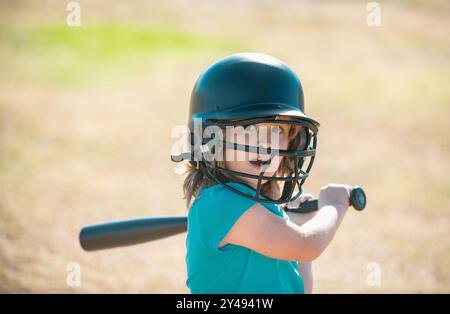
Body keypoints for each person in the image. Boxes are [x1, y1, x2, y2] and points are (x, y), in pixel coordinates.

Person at [172, 52, 351, 293]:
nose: (265, 142)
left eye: (277, 129)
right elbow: (307, 244)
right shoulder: (220, 205)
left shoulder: (265, 212)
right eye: (249, 128)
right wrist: (334, 207)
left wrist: (296, 222)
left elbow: (299, 287)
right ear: (210, 139)